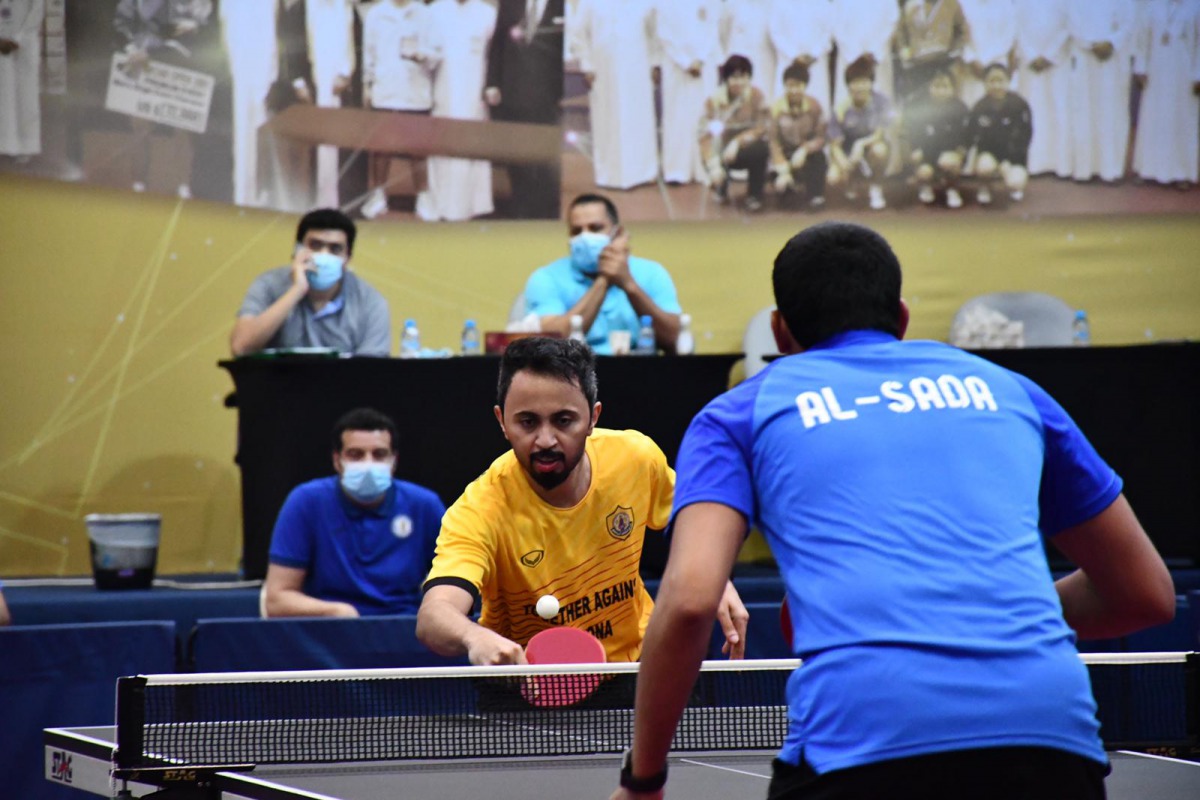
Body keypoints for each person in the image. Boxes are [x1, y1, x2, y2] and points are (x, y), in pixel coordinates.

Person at [610, 220, 1175, 800]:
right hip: (1050, 740)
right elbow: (1146, 594)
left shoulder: (736, 415)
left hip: (862, 743)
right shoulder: (1013, 392)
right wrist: (976, 609)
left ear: (779, 332)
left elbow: (690, 602)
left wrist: (643, 779)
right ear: (901, 318)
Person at [415, 337, 747, 666]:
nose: (545, 440)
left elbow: (691, 521)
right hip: (525, 679)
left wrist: (711, 576)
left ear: (592, 417)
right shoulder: (479, 510)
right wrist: (474, 637)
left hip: (635, 667)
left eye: (563, 420)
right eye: (528, 422)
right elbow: (434, 614)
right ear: (502, 421)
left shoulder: (635, 458)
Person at [263, 408, 445, 617]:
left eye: (379, 454)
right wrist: (336, 612)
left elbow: (456, 582)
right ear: (337, 460)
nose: (368, 464)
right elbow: (277, 600)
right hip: (330, 627)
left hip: (404, 625)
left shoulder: (424, 505)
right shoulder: (305, 502)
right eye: (355, 455)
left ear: (394, 461)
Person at [522, 193, 681, 355]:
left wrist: (629, 284)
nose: (585, 237)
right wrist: (604, 279)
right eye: (576, 231)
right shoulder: (546, 278)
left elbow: (676, 341)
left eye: (595, 228)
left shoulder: (652, 273)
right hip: (575, 370)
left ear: (617, 234)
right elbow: (551, 347)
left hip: (640, 368)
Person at [230, 208, 391, 356]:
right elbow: (241, 347)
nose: (324, 255)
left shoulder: (370, 302)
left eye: (335, 249)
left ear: (347, 258)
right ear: (297, 250)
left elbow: (371, 371)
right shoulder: (268, 285)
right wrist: (296, 290)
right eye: (315, 245)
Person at [113, 0, 213, 197]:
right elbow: (121, 21)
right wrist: (132, 48)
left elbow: (206, 22)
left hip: (182, 63)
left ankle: (183, 187)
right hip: (143, 62)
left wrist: (193, 27)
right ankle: (138, 185)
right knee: (140, 126)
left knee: (183, 128)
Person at [416, 0, 498, 222]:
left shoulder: (487, 14)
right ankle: (440, 206)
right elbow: (425, 53)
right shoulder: (434, 11)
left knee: (470, 147)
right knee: (442, 149)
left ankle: (470, 207)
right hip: (444, 91)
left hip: (474, 93)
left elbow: (493, 56)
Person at [484, 0, 564, 219]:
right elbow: (498, 43)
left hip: (547, 98)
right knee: (517, 159)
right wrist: (492, 83)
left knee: (544, 160)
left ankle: (545, 212)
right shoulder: (511, 3)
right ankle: (521, 208)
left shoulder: (560, 5)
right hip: (513, 93)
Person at [570, 0, 659, 191]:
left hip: (637, 70)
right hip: (604, 73)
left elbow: (654, 33)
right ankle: (609, 175)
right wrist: (587, 65)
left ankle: (643, 172)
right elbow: (578, 34)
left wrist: (654, 63)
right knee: (607, 122)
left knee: (638, 121)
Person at [360, 0, 434, 220]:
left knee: (418, 150)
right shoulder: (375, 14)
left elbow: (437, 53)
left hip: (416, 92)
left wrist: (423, 55)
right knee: (381, 150)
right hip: (386, 92)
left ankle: (423, 198)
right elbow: (368, 54)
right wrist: (367, 85)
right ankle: (378, 196)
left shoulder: (425, 14)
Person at [1131, 0, 1200, 188]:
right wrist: (1141, 67)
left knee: (1182, 120)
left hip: (1184, 75)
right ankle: (1147, 169)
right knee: (1152, 118)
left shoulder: (1196, 6)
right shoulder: (1152, 5)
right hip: (1156, 72)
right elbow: (1142, 37)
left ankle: (1182, 173)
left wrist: (1198, 74)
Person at [1066, 0, 1134, 183]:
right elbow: (1072, 23)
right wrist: (1091, 45)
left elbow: (1129, 23)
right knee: (1084, 111)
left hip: (1114, 59)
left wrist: (1111, 42)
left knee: (1112, 112)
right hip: (1085, 58)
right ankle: (1084, 169)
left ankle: (1111, 170)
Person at [655, 0, 721, 185]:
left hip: (705, 65)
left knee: (704, 115)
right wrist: (685, 61)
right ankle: (677, 170)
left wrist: (700, 58)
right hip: (676, 67)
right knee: (677, 117)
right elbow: (665, 35)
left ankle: (704, 168)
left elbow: (712, 30)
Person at [700, 54, 770, 212]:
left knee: (761, 148)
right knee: (712, 160)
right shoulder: (714, 101)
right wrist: (713, 166)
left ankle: (755, 195)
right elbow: (704, 136)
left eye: (743, 77)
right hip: (721, 150)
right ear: (726, 79)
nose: (739, 82)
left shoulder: (756, 96)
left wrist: (738, 141)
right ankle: (720, 186)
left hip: (743, 149)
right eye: (734, 77)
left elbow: (762, 127)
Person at [827, 55, 896, 210]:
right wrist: (844, 163)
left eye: (864, 82)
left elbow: (880, 133)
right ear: (848, 85)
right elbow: (835, 144)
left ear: (871, 83)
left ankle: (876, 187)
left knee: (880, 151)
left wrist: (861, 144)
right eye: (855, 82)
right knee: (833, 177)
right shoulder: (841, 108)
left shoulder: (882, 102)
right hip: (849, 153)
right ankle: (851, 182)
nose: (860, 87)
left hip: (871, 147)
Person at [1014, 0, 1071, 178]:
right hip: (1029, 65)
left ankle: (1059, 164)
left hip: (1057, 64)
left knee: (1057, 109)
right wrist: (1030, 54)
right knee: (1031, 109)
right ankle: (1033, 162)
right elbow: (1016, 27)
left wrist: (1049, 55)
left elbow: (1068, 27)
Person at [903, 67, 969, 207]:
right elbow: (915, 137)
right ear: (929, 87)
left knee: (948, 162)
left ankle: (951, 188)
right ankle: (926, 186)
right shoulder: (921, 109)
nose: (940, 91)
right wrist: (918, 153)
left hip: (949, 155)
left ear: (953, 89)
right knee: (923, 169)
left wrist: (957, 155)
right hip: (929, 155)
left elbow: (963, 139)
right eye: (936, 86)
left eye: (945, 87)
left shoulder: (961, 108)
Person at [967, 62, 1032, 203]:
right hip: (990, 155)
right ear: (984, 83)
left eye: (1001, 81)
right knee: (984, 167)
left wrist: (1008, 161)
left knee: (1015, 181)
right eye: (992, 81)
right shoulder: (979, 107)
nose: (996, 86)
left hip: (1013, 158)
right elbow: (973, 136)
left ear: (1008, 81)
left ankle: (1016, 188)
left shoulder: (1019, 104)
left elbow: (1025, 137)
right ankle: (985, 187)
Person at [768, 61, 829, 210]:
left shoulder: (815, 106)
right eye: (790, 86)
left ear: (805, 86)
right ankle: (788, 185)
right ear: (785, 86)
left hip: (804, 154)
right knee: (784, 197)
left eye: (798, 86)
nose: (794, 90)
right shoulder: (775, 108)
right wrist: (783, 168)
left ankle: (816, 196)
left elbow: (821, 137)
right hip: (785, 155)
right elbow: (773, 141)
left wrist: (805, 149)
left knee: (819, 157)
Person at [893, 0, 970, 106]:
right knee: (918, 102)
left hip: (944, 62)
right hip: (918, 64)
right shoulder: (910, 5)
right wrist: (906, 52)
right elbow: (901, 32)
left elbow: (962, 30)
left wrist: (953, 51)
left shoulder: (952, 4)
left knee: (945, 99)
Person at [0, 0, 44, 161]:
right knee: (3, 97)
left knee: (26, 96)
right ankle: (5, 144)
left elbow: (37, 10)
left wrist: (18, 38)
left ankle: (26, 145)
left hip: (25, 42)